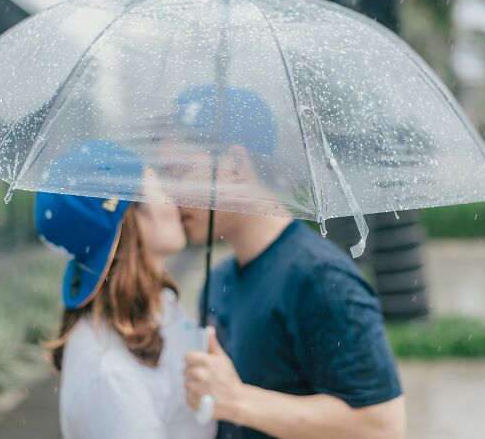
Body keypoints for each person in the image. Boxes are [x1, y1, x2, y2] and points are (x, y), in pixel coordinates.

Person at [173, 86, 407, 439]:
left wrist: (238, 400)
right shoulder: (218, 281)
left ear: (235, 165)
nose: (170, 194)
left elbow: (382, 425)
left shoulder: (320, 279)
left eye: (178, 172)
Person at [35, 140, 216, 439]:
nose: (173, 197)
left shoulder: (157, 304)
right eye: (159, 184)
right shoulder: (110, 377)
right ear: (130, 218)